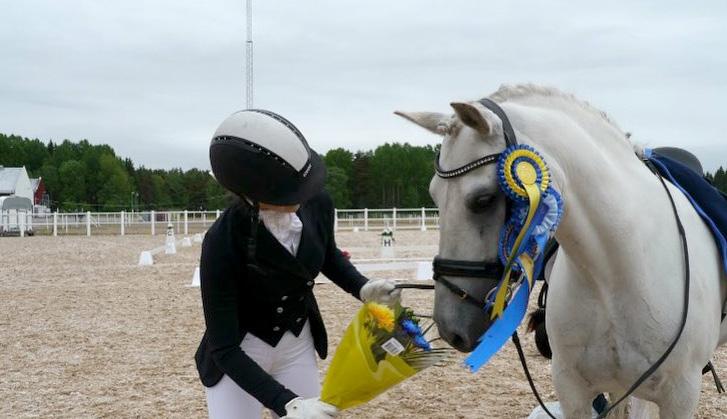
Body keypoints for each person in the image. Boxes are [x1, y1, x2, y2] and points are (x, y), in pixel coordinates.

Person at [195, 109, 400, 419]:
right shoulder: (221, 242)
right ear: (251, 193)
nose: (304, 197)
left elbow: (327, 256)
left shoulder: (318, 203)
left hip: (297, 340)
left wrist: (363, 287)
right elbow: (223, 348)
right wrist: (286, 403)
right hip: (241, 350)